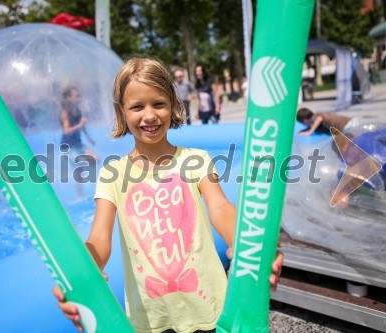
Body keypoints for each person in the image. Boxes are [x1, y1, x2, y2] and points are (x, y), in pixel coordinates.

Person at [52, 57, 283, 333]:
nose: (149, 115)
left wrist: (251, 247)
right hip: (150, 318)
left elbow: (219, 207)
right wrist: (78, 276)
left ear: (173, 104)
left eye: (158, 104)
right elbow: (100, 239)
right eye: (137, 107)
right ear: (121, 112)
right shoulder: (112, 174)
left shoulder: (196, 160)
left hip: (209, 307)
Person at [60, 86, 97, 197]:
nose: (79, 98)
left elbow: (82, 126)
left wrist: (89, 138)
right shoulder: (64, 113)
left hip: (78, 143)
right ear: (68, 98)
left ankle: (79, 174)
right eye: (76, 96)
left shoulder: (77, 110)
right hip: (68, 146)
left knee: (95, 159)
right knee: (78, 169)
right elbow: (66, 131)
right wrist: (80, 124)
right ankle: (80, 195)